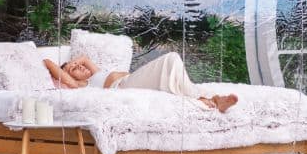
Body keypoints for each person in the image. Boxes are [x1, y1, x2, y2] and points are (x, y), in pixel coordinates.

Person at [43, 52, 238, 112]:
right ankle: (205, 99)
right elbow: (47, 62)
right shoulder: (81, 87)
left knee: (174, 75)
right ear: (69, 78)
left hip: (131, 80)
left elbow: (84, 58)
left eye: (79, 65)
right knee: (171, 59)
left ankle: (205, 99)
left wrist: (74, 62)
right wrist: (63, 69)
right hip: (124, 87)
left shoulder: (94, 74)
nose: (80, 66)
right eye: (73, 70)